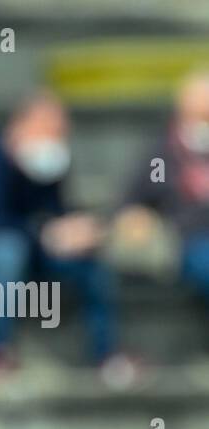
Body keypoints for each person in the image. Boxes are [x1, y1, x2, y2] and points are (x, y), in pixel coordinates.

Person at [0, 90, 135, 383]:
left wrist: (77, 232)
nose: (54, 141)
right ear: (21, 127)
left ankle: (105, 354)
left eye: (60, 134)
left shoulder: (51, 169)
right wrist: (45, 233)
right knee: (8, 250)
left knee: (89, 264)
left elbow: (56, 216)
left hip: (30, 251)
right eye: (48, 132)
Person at [113, 69, 209, 309]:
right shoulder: (162, 156)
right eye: (200, 114)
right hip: (188, 241)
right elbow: (131, 202)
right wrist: (136, 218)